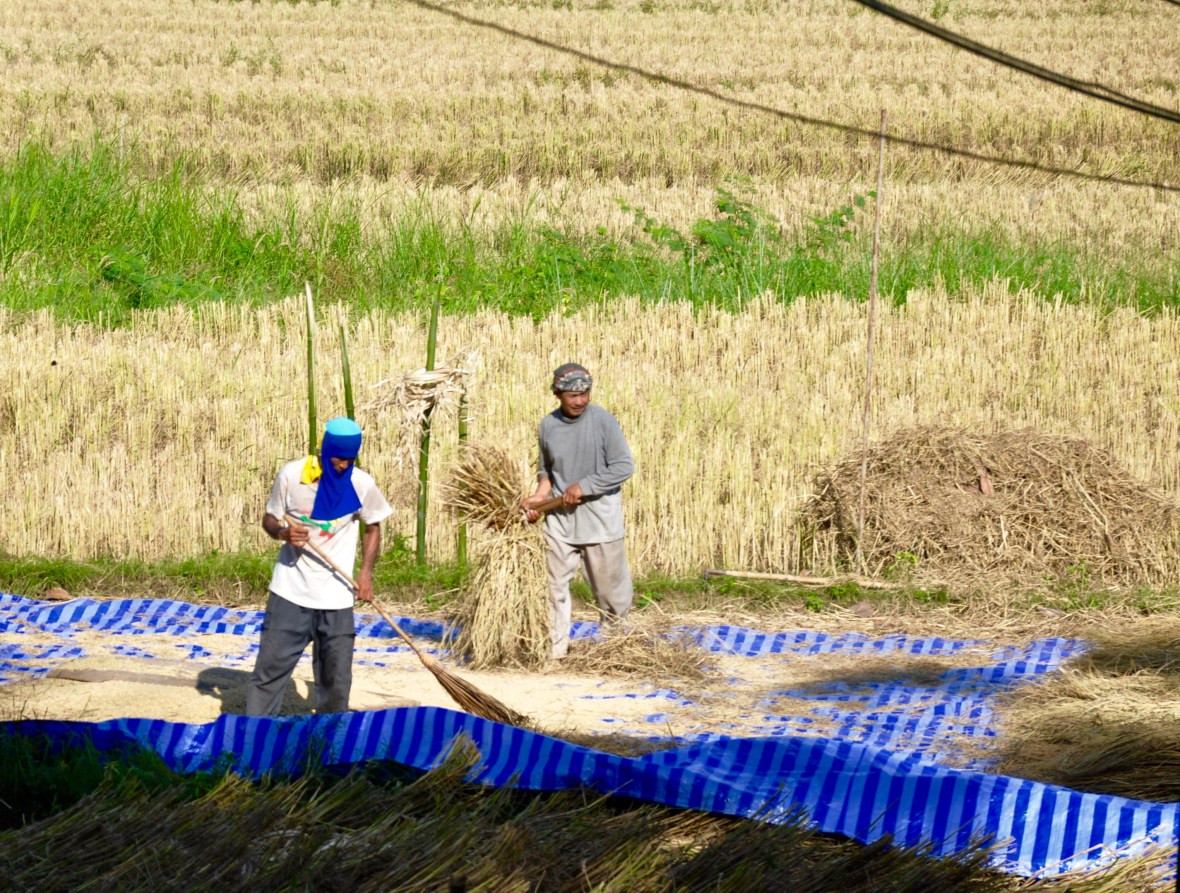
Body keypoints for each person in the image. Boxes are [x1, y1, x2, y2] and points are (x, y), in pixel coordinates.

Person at [245, 416, 394, 716]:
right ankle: (256, 737)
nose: (343, 465)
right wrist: (283, 533)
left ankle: (329, 740)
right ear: (325, 450)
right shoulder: (292, 476)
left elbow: (373, 526)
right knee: (269, 674)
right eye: (338, 458)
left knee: (336, 682)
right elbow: (270, 518)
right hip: (290, 593)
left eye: (349, 459)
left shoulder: (361, 484)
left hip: (337, 598)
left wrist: (365, 574)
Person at [522, 363, 635, 659]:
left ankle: (615, 653)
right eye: (573, 395)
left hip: (601, 523)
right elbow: (546, 471)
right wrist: (539, 498)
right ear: (558, 394)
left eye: (585, 394)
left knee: (611, 595)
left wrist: (585, 486)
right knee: (552, 590)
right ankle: (553, 651)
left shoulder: (603, 421)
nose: (580, 400)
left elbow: (623, 466)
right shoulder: (548, 425)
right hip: (559, 523)